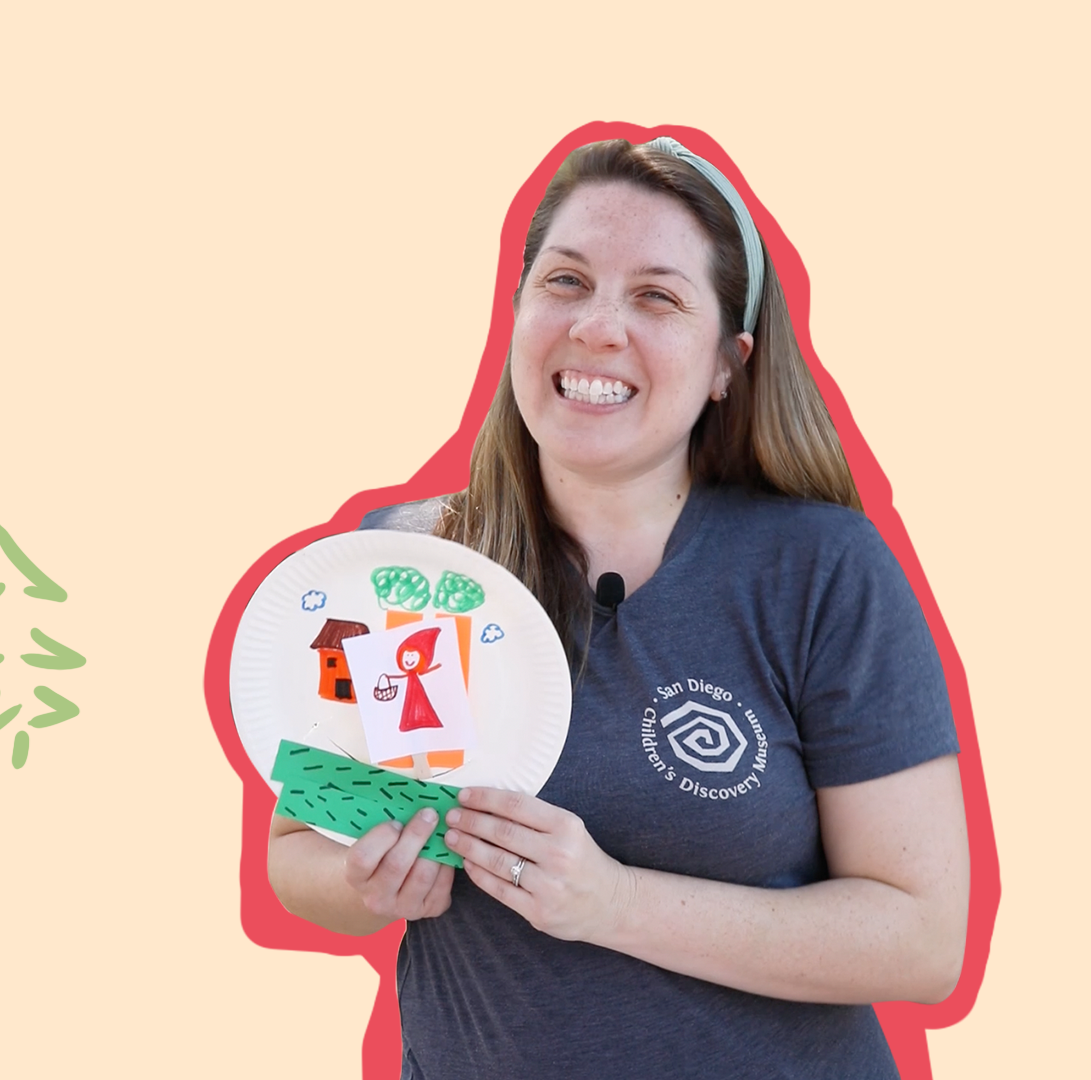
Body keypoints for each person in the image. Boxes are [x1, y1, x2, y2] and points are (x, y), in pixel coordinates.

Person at [263, 138, 968, 1078]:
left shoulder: (819, 572)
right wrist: (372, 882)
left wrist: (613, 903)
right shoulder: (408, 569)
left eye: (657, 296)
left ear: (728, 363)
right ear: (516, 313)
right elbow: (301, 849)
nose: (598, 327)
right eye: (566, 281)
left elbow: (921, 938)